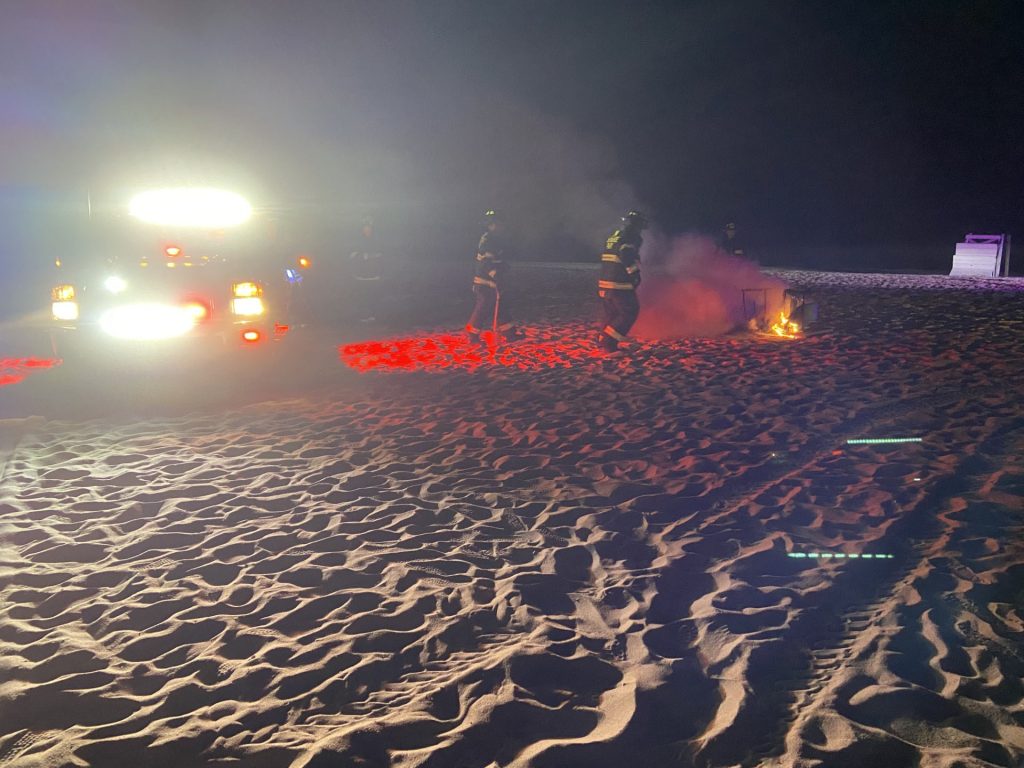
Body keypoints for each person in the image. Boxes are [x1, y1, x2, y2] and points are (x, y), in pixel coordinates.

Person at [598, 210, 647, 352]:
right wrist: (634, 274)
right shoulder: (631, 236)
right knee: (629, 312)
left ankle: (603, 340)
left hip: (605, 281)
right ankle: (609, 343)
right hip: (619, 284)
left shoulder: (614, 235)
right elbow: (626, 255)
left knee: (612, 314)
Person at [466, 209, 514, 342]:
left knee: (500, 304)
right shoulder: (488, 240)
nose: (501, 226)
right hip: (484, 280)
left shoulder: (496, 239)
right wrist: (495, 274)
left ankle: (509, 332)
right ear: (491, 225)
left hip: (492, 279)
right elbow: (486, 262)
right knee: (484, 305)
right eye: (498, 224)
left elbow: (497, 259)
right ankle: (472, 334)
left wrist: (503, 266)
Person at [349, 215, 382, 322]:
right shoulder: (358, 241)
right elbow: (353, 254)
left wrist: (369, 256)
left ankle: (373, 314)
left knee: (373, 294)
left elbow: (380, 254)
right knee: (362, 295)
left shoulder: (376, 241)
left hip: (373, 273)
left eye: (369, 229)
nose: (367, 231)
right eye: (365, 229)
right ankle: (364, 315)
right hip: (361, 274)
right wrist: (360, 256)